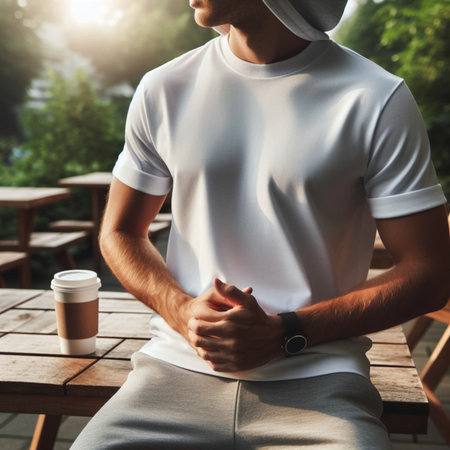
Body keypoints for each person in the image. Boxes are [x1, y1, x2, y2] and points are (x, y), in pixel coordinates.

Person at [71, 1, 450, 449]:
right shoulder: (165, 88)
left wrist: (286, 332)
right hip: (171, 377)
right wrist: (181, 310)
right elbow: (119, 231)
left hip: (320, 383)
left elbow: (430, 273)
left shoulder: (375, 98)